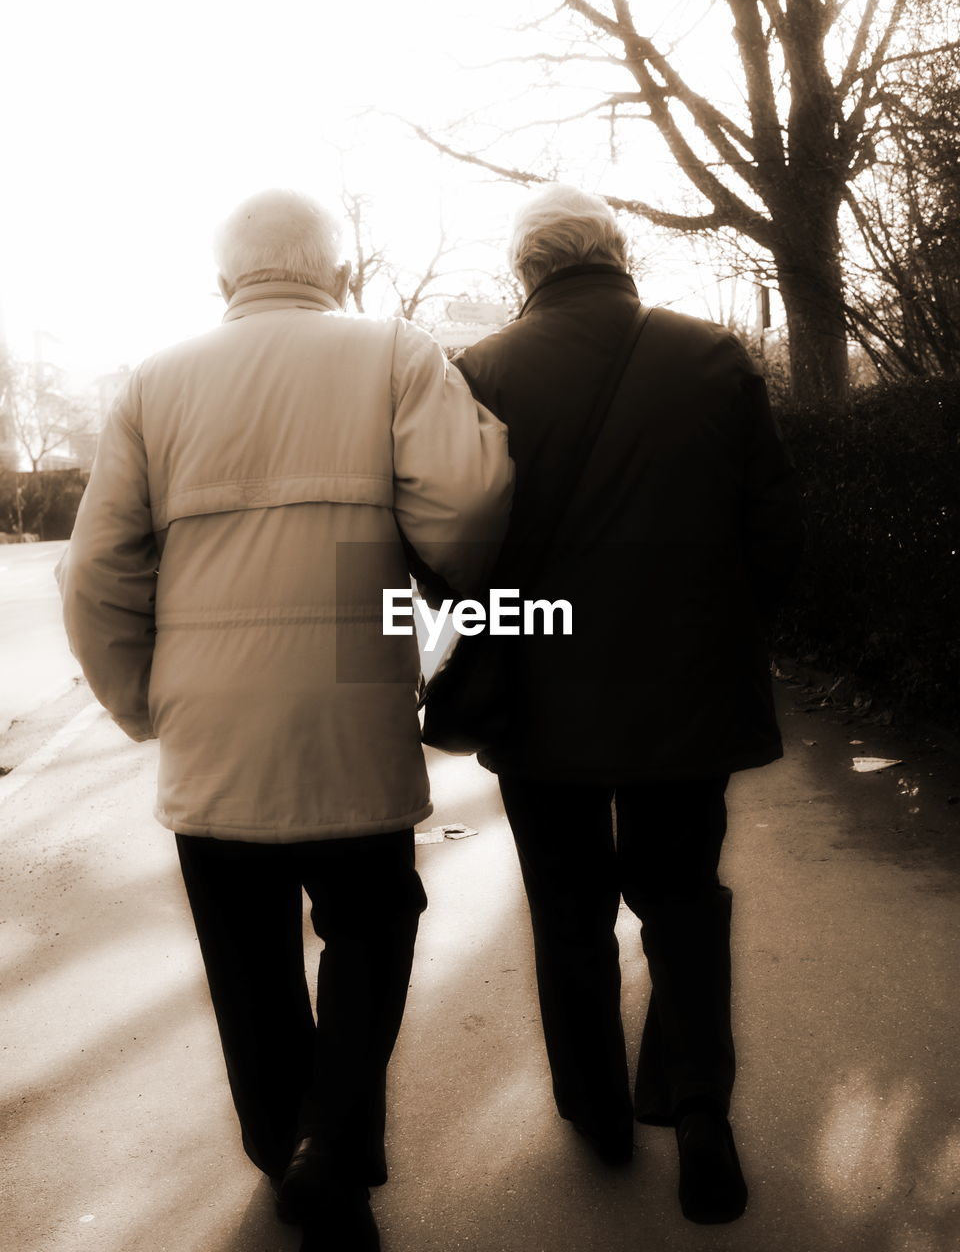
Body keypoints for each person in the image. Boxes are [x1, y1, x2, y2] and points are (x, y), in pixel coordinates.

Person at [57, 188, 512, 1252]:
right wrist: (440, 574)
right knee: (372, 919)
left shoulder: (154, 382)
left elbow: (96, 573)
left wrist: (143, 700)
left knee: (249, 955)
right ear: (336, 272)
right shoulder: (392, 351)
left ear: (226, 283)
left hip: (211, 721)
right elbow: (469, 504)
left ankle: (289, 1150)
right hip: (352, 695)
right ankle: (334, 1141)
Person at [453, 184, 803, 1224]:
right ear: (618, 252)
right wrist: (730, 632)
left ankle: (598, 1111)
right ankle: (700, 1111)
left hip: (538, 688)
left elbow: (455, 544)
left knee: (570, 910)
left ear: (526, 272)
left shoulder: (479, 371)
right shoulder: (713, 355)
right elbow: (774, 529)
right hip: (684, 688)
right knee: (682, 895)